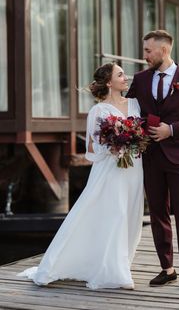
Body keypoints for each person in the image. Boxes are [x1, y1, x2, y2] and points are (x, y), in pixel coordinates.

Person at [18, 62, 144, 290]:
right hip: (110, 171)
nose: (126, 77)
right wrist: (114, 147)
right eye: (120, 74)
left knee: (130, 216)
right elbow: (92, 148)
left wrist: (131, 141)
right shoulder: (98, 111)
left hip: (134, 169)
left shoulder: (135, 104)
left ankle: (120, 263)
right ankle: (114, 273)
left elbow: (142, 133)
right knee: (114, 214)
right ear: (109, 82)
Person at [127, 30, 179, 291]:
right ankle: (167, 268)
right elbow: (129, 111)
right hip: (150, 157)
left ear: (164, 50)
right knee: (158, 213)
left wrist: (170, 130)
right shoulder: (139, 80)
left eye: (148, 51)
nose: (145, 55)